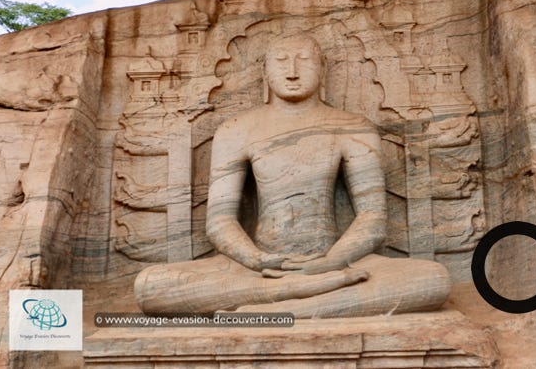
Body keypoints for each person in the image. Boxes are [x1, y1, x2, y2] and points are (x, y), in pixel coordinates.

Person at [134, 33, 451, 317]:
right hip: (258, 270)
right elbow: (219, 223)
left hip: (337, 262)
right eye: (282, 61)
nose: (293, 70)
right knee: (150, 287)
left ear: (322, 69)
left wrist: (332, 261)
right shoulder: (235, 130)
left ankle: (291, 307)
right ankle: (295, 294)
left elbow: (372, 219)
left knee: (432, 280)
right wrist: (256, 260)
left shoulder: (353, 127)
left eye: (304, 60)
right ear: (265, 72)